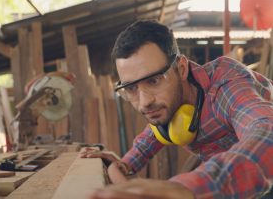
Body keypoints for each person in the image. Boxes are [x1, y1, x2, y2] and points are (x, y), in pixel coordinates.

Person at [81, 20, 273, 199]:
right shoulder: (166, 104)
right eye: (131, 88)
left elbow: (267, 134)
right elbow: (153, 134)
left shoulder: (226, 88)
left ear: (181, 68)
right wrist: (123, 164)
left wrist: (185, 188)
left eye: (154, 80)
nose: (144, 102)